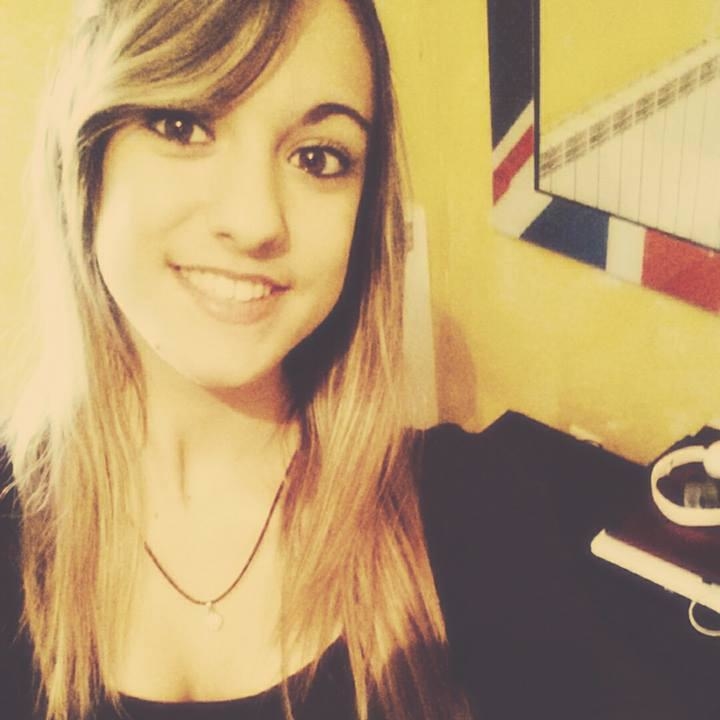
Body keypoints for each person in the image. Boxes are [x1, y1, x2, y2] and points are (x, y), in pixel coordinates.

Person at [0, 1, 639, 719]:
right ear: (85, 158)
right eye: (183, 124)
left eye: (318, 158)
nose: (255, 220)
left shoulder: (472, 515)